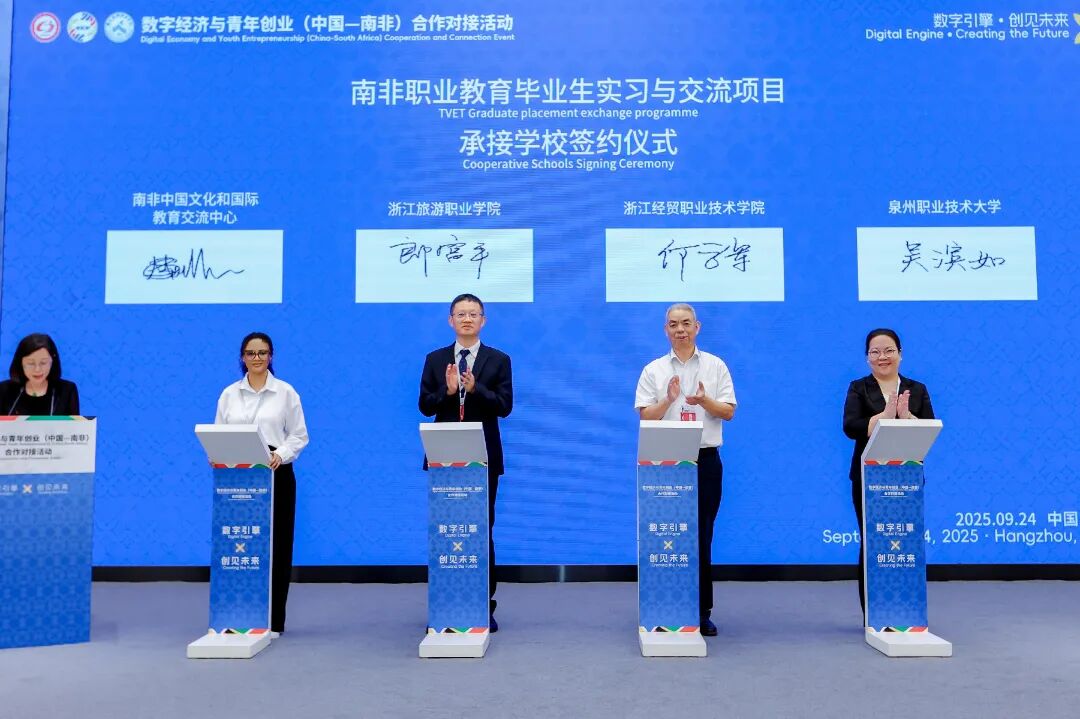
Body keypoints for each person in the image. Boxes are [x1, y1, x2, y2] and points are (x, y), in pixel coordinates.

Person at [634, 303, 736, 637]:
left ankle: (701, 611)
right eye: (674, 324)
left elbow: (728, 411)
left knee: (702, 535)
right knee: (666, 534)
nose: (680, 329)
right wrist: (668, 400)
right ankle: (665, 607)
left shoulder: (716, 365)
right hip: (664, 462)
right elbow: (645, 416)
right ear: (666, 329)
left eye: (686, 323)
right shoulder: (653, 369)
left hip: (704, 460)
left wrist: (704, 401)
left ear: (697, 327)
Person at [418, 293, 513, 632]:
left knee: (480, 529)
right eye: (461, 314)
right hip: (444, 459)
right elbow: (425, 406)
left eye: (473, 314)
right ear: (451, 320)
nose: (467, 319)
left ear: (483, 320)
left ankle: (483, 605)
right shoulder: (435, 359)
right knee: (446, 530)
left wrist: (475, 389)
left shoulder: (498, 360)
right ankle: (446, 604)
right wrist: (446, 392)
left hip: (483, 459)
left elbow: (504, 406)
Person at [215, 332, 309, 636]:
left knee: (277, 546)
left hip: (275, 473)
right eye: (251, 353)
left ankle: (274, 620)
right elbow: (219, 433)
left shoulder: (285, 392)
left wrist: (280, 455)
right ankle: (238, 615)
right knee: (239, 544)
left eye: (262, 353)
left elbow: (299, 435)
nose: (257, 358)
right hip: (238, 478)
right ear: (242, 358)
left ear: (271, 356)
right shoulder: (229, 394)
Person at [842, 328, 935, 620]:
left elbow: (930, 427)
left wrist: (907, 418)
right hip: (868, 479)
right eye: (875, 352)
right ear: (867, 357)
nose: (882, 357)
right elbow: (850, 427)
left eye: (888, 350)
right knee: (873, 542)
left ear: (900, 354)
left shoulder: (916, 389)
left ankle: (906, 612)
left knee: (906, 541)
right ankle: (874, 614)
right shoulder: (859, 388)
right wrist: (882, 418)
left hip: (907, 478)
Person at [0, 333, 80, 416]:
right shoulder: (4, 390)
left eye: (43, 362)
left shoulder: (67, 391)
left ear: (52, 361)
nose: (37, 369)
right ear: (20, 362)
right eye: (31, 363)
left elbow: (75, 424)